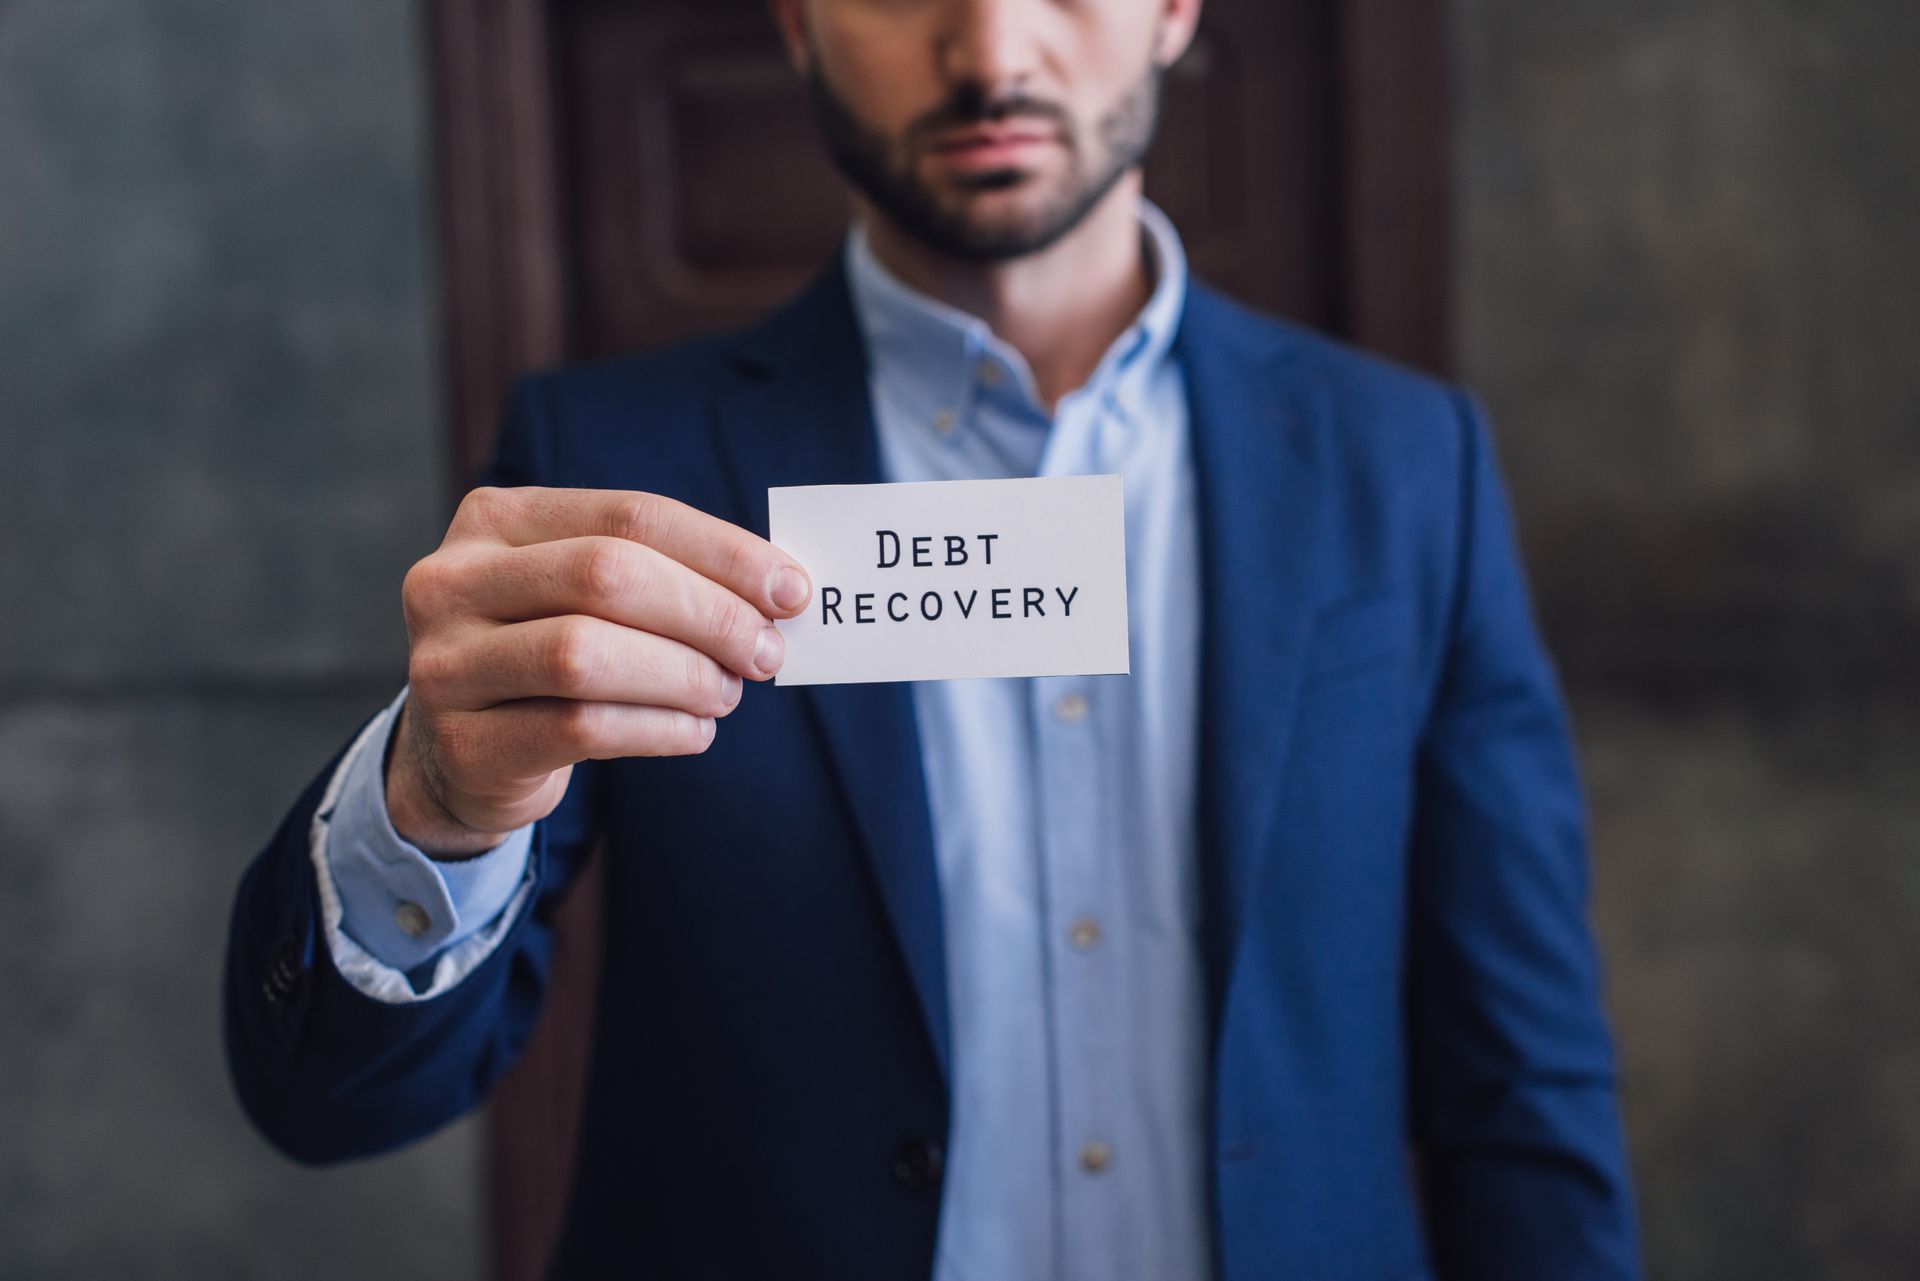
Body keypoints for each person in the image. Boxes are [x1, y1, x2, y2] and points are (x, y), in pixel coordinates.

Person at [222, 0, 1641, 1276]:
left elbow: (1522, 1078)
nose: (993, 52)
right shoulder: (614, 466)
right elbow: (333, 1099)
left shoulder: (1402, 464)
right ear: (794, 21)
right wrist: (437, 808)